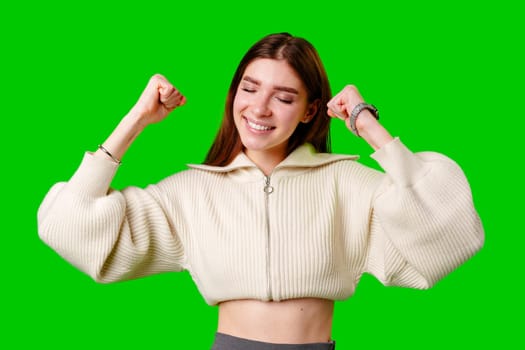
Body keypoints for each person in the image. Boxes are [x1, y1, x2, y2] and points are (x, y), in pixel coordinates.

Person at [37, 33, 484, 349]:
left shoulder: (350, 185)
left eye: (284, 98)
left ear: (311, 110)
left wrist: (366, 123)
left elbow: (450, 229)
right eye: (249, 89)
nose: (260, 108)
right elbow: (68, 226)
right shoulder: (190, 192)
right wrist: (135, 120)